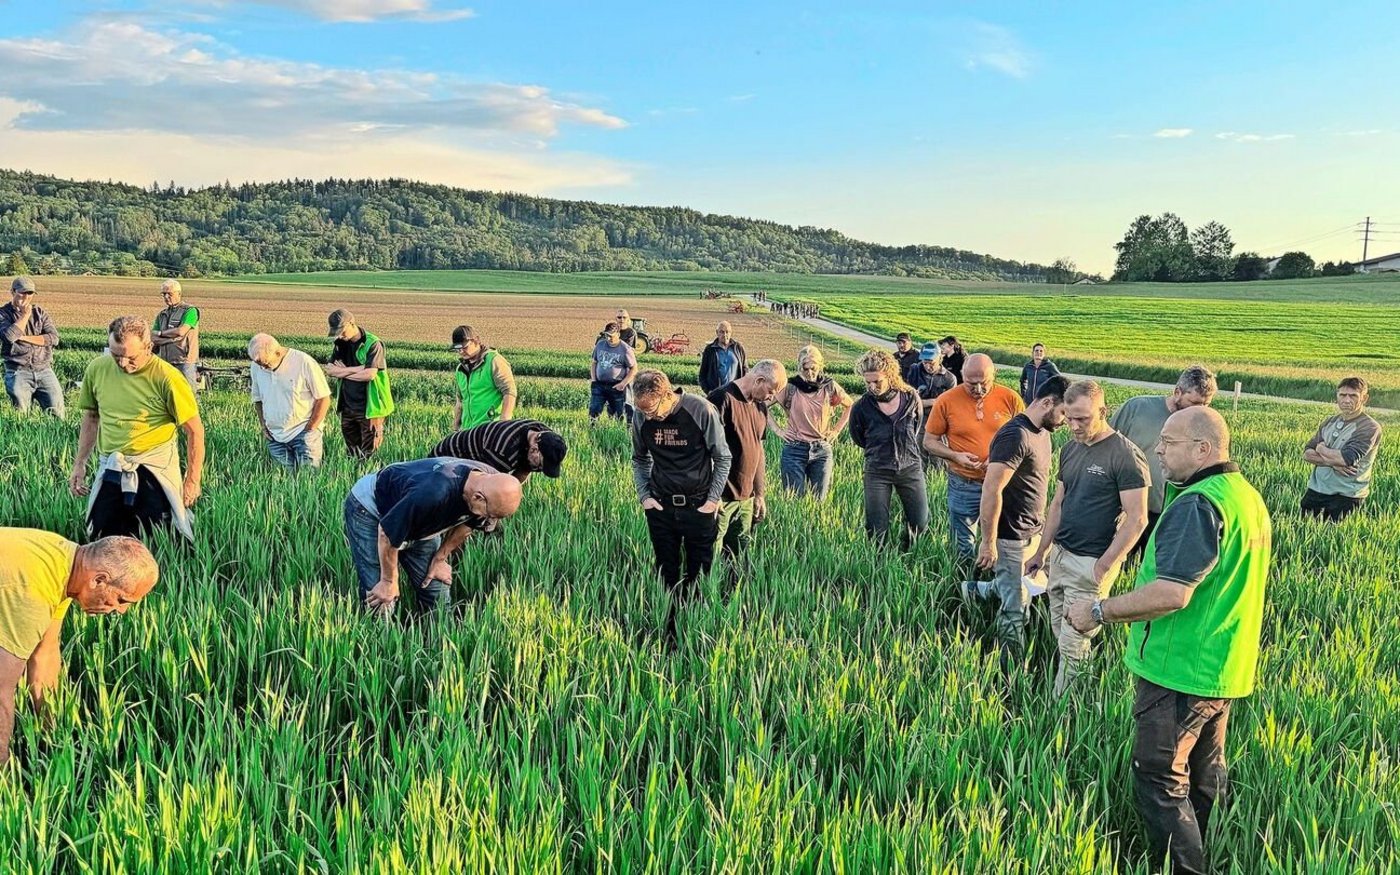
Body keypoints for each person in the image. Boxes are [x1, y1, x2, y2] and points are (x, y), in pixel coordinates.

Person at [1067, 406, 1271, 875]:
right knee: (1204, 776)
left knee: (1159, 777)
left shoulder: (1198, 504)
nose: (1157, 450)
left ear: (1203, 448)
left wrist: (1097, 610)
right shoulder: (1243, 496)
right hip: (1223, 666)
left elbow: (1172, 593)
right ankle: (1212, 853)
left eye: (1168, 442)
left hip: (1178, 669)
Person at [1026, 380, 1150, 695]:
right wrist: (1042, 552)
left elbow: (1137, 518)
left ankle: (1061, 714)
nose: (1075, 425)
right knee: (1059, 630)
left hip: (1090, 562)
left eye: (1083, 418)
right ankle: (1077, 693)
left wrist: (1104, 566)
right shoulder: (1069, 449)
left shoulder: (1125, 454)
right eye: (1069, 417)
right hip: (1060, 556)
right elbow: (1058, 503)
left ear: (1103, 411)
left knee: (1073, 642)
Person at [0, 529, 158, 766]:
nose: (121, 611)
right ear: (99, 580)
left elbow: (45, 656)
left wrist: (50, 736)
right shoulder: (32, 595)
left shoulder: (64, 564)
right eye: (122, 600)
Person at [960, 376, 1070, 668]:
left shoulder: (1043, 432)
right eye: (1063, 413)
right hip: (1010, 536)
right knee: (1015, 608)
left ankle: (973, 590)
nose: (1064, 421)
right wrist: (987, 542)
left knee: (1024, 589)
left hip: (1033, 530)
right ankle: (1010, 673)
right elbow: (991, 488)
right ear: (1048, 402)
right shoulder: (1015, 435)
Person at [69, 316, 203, 541]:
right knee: (101, 532)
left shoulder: (168, 378)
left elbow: (194, 430)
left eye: (130, 357)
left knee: (157, 534)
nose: (122, 363)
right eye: (115, 355)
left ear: (149, 347)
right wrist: (79, 464)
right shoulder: (97, 369)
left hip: (153, 465)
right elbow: (92, 417)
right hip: (112, 462)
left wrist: (192, 479)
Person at [345, 459, 523, 615]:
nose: (489, 521)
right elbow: (387, 532)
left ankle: (439, 645)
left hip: (421, 519)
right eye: (490, 515)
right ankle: (380, 644)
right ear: (478, 497)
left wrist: (440, 558)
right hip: (372, 510)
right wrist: (388, 580)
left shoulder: (491, 483)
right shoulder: (433, 493)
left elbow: (469, 523)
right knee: (382, 596)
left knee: (436, 588)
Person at [630, 369, 731, 644]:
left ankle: (695, 631)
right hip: (660, 506)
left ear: (667, 395)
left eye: (652, 410)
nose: (649, 417)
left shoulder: (700, 410)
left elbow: (722, 457)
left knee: (699, 573)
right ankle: (667, 630)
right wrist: (645, 497)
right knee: (666, 571)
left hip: (698, 506)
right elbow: (639, 459)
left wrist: (711, 501)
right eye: (643, 411)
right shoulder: (641, 414)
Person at [923, 353, 1025, 562]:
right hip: (964, 482)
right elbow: (929, 442)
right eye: (971, 384)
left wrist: (1000, 460)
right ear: (962, 375)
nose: (978, 389)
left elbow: (1026, 440)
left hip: (1002, 485)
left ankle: (996, 583)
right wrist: (955, 456)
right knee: (963, 541)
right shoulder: (946, 401)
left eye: (984, 383)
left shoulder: (1010, 398)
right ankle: (965, 581)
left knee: (1003, 537)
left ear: (993, 375)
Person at [1111, 365, 1217, 556]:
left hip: (1167, 514)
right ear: (1177, 392)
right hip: (1125, 510)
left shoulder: (1203, 428)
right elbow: (1106, 447)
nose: (1200, 411)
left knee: (1152, 570)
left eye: (1206, 405)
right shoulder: (1136, 408)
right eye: (1194, 403)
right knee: (1116, 566)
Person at [708, 360, 787, 568]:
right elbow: (704, 451)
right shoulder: (721, 399)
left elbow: (758, 451)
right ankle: (704, 598)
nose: (772, 398)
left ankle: (732, 597)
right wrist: (711, 495)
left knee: (739, 559)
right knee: (710, 559)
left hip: (746, 498)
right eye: (771, 391)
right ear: (759, 380)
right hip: (721, 498)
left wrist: (759, 494)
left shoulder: (760, 407)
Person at [849, 349, 927, 546]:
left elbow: (916, 428)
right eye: (868, 382)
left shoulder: (910, 398)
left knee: (919, 522)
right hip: (877, 470)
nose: (872, 386)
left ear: (890, 376)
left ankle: (908, 556)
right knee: (876, 528)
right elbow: (859, 438)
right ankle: (880, 564)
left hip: (910, 467)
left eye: (877, 382)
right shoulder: (861, 407)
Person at [768, 345, 853, 500]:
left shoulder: (829, 386)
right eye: (805, 369)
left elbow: (850, 405)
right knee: (793, 501)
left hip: (821, 450)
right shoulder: (791, 386)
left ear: (820, 366)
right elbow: (761, 404)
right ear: (800, 367)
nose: (809, 373)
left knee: (818, 501)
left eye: (813, 368)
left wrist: (836, 431)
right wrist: (778, 430)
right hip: (794, 449)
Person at [247, 333, 332, 471]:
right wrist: (263, 426)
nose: (263, 368)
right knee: (283, 482)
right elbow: (258, 399)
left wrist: (310, 428)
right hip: (274, 436)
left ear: (278, 352)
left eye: (266, 364)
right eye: (259, 364)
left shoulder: (304, 362)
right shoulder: (256, 366)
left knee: (309, 480)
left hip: (304, 433)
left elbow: (323, 398)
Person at [1301, 377, 1381, 521]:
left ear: (1364, 398)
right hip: (1316, 490)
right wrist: (1331, 463)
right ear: (1337, 396)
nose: (1346, 400)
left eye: (1353, 396)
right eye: (1342, 395)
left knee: (1335, 541)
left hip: (1347, 496)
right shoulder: (1329, 421)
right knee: (1301, 535)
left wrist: (1320, 448)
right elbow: (1307, 454)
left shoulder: (1369, 427)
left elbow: (1346, 459)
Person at [327, 309, 394, 459]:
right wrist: (360, 368)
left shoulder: (373, 343)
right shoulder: (340, 344)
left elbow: (370, 375)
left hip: (371, 408)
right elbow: (331, 370)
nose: (340, 335)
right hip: (347, 406)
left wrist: (344, 371)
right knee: (352, 452)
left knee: (369, 453)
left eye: (342, 331)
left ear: (352, 323)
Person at [1, 276, 64, 418]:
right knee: (20, 418)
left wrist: (23, 338)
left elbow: (53, 338)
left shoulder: (40, 313)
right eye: (22, 292)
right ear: (12, 291)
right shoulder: (3, 314)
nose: (26, 296)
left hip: (44, 369)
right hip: (17, 371)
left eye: (30, 293)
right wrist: (25, 315)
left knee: (58, 415)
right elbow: (9, 336)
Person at [430, 419, 568, 483]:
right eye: (539, 465)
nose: (538, 469)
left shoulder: (543, 435)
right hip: (447, 458)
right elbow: (485, 489)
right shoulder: (502, 451)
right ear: (534, 449)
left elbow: (524, 470)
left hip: (481, 458)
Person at [449, 324, 516, 431]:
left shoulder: (494, 361)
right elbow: (460, 401)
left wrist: (504, 425)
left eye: (464, 347)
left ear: (476, 341)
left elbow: (509, 392)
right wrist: (456, 429)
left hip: (490, 431)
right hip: (467, 432)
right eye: (458, 349)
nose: (461, 352)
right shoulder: (460, 369)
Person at [152, 279, 201, 390]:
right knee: (166, 393)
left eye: (169, 294)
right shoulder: (162, 314)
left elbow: (181, 331)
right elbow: (153, 337)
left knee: (188, 393)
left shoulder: (190, 311)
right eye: (163, 294)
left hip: (184, 361)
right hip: (165, 361)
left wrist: (161, 333)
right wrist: (170, 339)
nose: (166, 297)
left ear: (179, 294)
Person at [590, 322, 638, 423]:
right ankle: (592, 433)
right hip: (599, 385)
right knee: (593, 413)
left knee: (618, 415)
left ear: (618, 334)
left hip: (616, 386)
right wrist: (594, 380)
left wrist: (623, 384)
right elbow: (594, 363)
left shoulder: (625, 349)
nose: (608, 338)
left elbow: (634, 369)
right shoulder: (600, 345)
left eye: (611, 336)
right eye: (607, 335)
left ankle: (617, 433)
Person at [907, 341, 958, 424]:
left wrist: (923, 402)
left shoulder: (950, 379)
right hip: (913, 419)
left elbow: (950, 406)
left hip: (936, 421)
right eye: (924, 362)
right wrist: (932, 402)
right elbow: (907, 399)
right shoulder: (914, 370)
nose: (927, 366)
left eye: (931, 363)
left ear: (940, 358)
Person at [698, 321, 747, 395]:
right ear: (717, 332)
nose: (725, 335)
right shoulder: (710, 350)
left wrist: (743, 389)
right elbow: (702, 374)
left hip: (734, 394)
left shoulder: (738, 348)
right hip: (716, 394)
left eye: (727, 332)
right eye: (722, 332)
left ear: (731, 333)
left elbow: (745, 369)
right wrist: (708, 391)